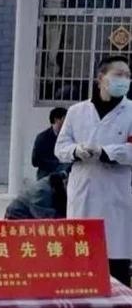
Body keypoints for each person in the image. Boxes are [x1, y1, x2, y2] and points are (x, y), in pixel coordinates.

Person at [55, 55, 132, 286]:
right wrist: (76, 151)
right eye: (118, 74)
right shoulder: (77, 111)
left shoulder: (130, 111)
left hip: (117, 195)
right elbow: (60, 148)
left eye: (128, 76)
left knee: (115, 261)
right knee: (81, 258)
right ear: (101, 78)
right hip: (84, 192)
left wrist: (106, 152)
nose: (124, 80)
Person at [32, 107, 68, 180]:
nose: (67, 123)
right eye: (65, 119)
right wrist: (56, 164)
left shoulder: (68, 137)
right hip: (46, 175)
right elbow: (35, 161)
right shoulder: (42, 138)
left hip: (63, 176)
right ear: (56, 120)